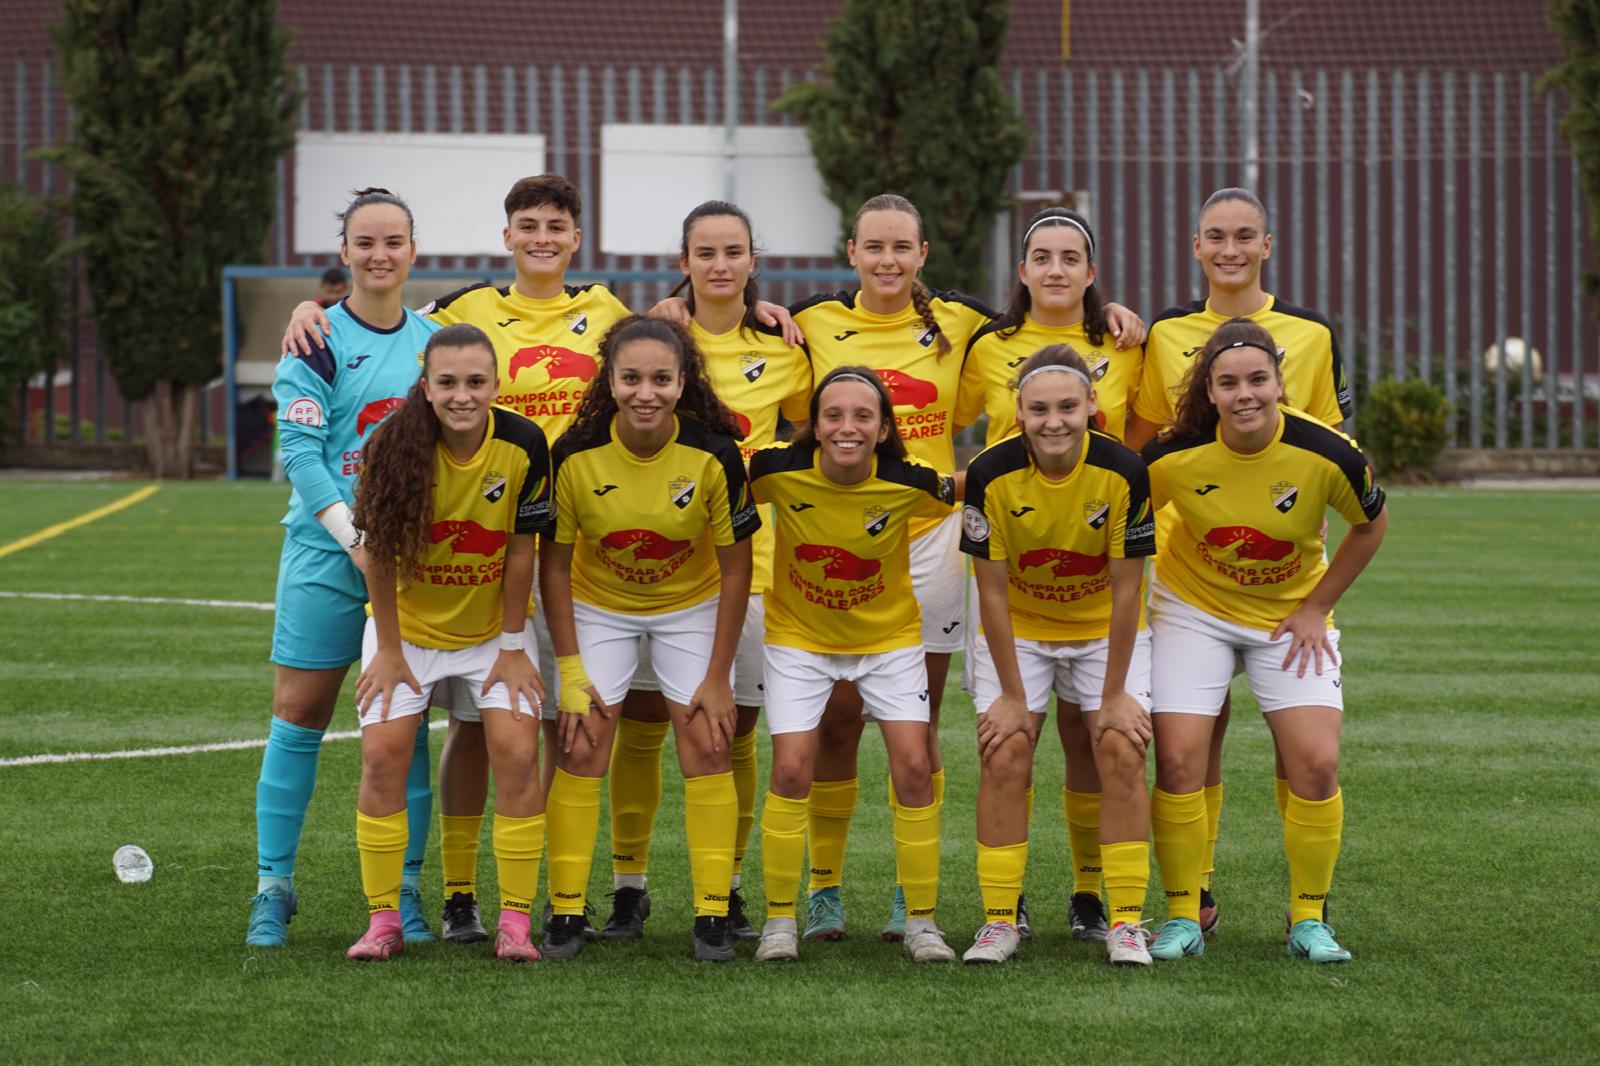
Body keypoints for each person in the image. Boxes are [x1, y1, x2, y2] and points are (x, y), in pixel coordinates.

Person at [283, 175, 795, 944]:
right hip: (516, 554)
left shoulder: (616, 313)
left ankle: (662, 894)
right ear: (508, 235)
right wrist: (313, 311)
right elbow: (385, 314)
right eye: (529, 224)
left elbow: (677, 335)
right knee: (505, 731)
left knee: (613, 729)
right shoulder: (463, 313)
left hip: (606, 545)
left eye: (557, 224)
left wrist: (749, 299)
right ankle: (484, 899)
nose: (543, 237)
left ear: (576, 237)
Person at [780, 194, 1145, 941]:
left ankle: (910, 898)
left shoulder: (964, 325)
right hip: (842, 528)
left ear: (922, 256)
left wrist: (1115, 315)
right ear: (851, 251)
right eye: (873, 246)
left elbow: (1053, 322)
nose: (887, 260)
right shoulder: (809, 320)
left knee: (918, 718)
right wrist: (684, 303)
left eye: (901, 247)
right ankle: (823, 889)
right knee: (839, 718)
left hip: (932, 533)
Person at [1124, 187, 1355, 936]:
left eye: (1244, 236)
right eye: (1215, 237)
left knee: (1309, 756)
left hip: (1289, 583)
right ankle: (1195, 904)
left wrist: (1312, 590)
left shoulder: (1311, 334)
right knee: (1191, 745)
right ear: (1196, 246)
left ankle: (1309, 916)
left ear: (1267, 244)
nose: (1230, 249)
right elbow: (1148, 452)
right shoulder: (1165, 333)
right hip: (1188, 580)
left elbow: (1328, 460)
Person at [1138, 317, 1386, 964]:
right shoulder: (1173, 454)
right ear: (1210, 392)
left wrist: (1317, 607)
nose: (1244, 393)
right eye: (1228, 383)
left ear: (1281, 382)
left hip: (1288, 619)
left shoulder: (1328, 452)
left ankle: (1308, 918)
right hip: (1193, 609)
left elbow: (1371, 525)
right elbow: (1124, 511)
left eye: (1257, 379)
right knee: (1180, 759)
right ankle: (1184, 913)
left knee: (1316, 763)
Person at [600, 201, 812, 943]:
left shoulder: (791, 346)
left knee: (733, 730)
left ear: (755, 261)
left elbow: (814, 435)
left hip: (746, 569)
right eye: (705, 252)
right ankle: (629, 888)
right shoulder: (654, 337)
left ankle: (725, 886)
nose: (720, 265)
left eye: (734, 252)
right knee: (641, 725)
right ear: (683, 260)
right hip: (644, 575)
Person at [251, 188, 439, 947]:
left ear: (413, 251)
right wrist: (355, 538)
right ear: (345, 253)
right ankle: (273, 884)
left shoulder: (437, 339)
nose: (380, 254)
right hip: (327, 554)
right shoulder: (314, 339)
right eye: (366, 242)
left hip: (416, 562)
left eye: (393, 240)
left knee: (409, 727)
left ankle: (411, 891)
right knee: (298, 716)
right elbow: (299, 454)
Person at [538, 315, 759, 963]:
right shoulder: (574, 454)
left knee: (708, 739)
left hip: (690, 606)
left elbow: (736, 565)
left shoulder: (715, 452)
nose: (645, 392)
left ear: (682, 382)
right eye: (630, 378)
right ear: (609, 380)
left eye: (661, 379)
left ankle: (713, 913)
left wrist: (719, 677)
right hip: (599, 606)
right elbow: (554, 565)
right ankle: (567, 910)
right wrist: (571, 668)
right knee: (581, 742)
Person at [954, 207, 1145, 941]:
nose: (1056, 268)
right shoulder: (986, 345)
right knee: (1009, 743)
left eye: (1072, 257)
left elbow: (1155, 432)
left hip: (1103, 554)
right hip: (1011, 548)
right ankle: (1004, 914)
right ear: (1024, 268)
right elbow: (943, 415)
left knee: (1099, 737)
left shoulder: (1127, 342)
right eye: (1042, 256)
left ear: (1091, 272)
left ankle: (1099, 901)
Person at [345, 324, 553, 962]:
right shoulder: (391, 444)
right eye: (448, 383)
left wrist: (515, 643)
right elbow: (377, 551)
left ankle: (514, 922)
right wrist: (388, 647)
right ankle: (384, 921)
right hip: (405, 630)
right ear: (426, 386)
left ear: (495, 383)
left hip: (496, 633)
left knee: (517, 756)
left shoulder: (523, 441)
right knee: (382, 755)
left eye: (475, 382)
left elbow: (523, 550)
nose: (462, 395)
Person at [747, 366, 959, 964]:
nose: (847, 427)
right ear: (813, 425)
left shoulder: (910, 482)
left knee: (916, 767)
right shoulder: (775, 471)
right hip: (798, 640)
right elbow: (716, 479)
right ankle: (780, 922)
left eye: (863, 416)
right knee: (790, 770)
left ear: (885, 427)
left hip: (889, 641)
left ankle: (921, 921)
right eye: (833, 415)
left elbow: (972, 486)